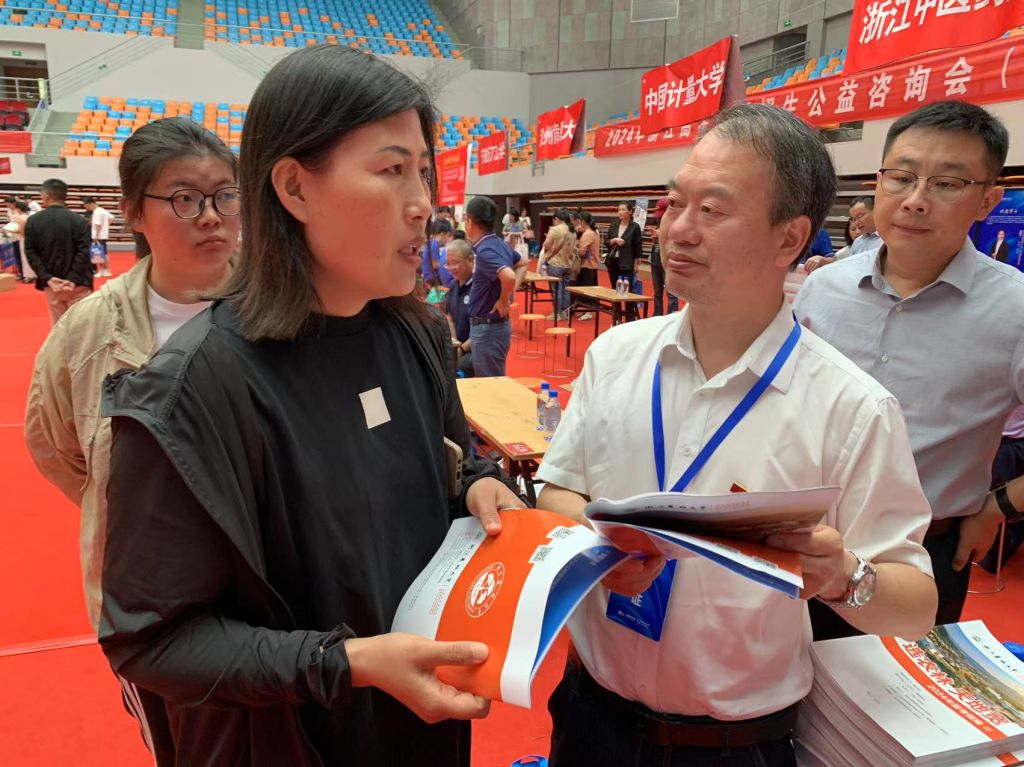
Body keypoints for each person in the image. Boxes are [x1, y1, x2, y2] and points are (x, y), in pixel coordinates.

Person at [98, 46, 523, 766]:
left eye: (423, 171)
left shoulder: (418, 334)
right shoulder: (193, 390)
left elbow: (456, 464)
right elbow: (154, 639)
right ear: (294, 188)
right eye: (391, 170)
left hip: (425, 730)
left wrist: (481, 483)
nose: (424, 203)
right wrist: (344, 664)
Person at [534, 104, 936, 767]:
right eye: (675, 203)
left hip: (732, 747)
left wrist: (841, 575)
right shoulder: (616, 356)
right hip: (589, 716)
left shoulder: (851, 407)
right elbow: (557, 489)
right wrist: (604, 541)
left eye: (712, 210)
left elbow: (915, 606)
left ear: (788, 239)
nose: (678, 230)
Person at [795, 100, 1024, 632]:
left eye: (947, 184)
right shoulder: (822, 289)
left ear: (987, 200)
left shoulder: (1013, 310)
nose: (916, 200)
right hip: (801, 544)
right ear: (879, 182)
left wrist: (999, 507)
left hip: (922, 558)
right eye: (901, 177)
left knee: (886, 687)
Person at [25, 117, 240, 636]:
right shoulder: (87, 331)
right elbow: (55, 445)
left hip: (270, 584)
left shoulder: (286, 313)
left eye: (225, 196)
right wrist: (134, 504)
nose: (211, 216)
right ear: (133, 212)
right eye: (185, 199)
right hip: (148, 590)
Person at [463, 194, 526, 377]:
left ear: (470, 221)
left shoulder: (485, 250)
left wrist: (504, 299)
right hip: (491, 328)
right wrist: (509, 293)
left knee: (490, 383)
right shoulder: (498, 243)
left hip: (488, 330)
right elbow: (522, 264)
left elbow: (509, 276)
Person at [24, 178, 93, 325]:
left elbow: (31, 252)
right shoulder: (78, 221)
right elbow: (84, 251)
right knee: (82, 327)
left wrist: (47, 277)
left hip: (52, 284)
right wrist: (72, 278)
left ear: (46, 196)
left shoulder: (34, 221)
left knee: (58, 328)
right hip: (78, 283)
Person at [605, 200, 642, 319]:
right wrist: (614, 240)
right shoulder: (614, 225)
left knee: (627, 292)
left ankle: (629, 318)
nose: (620, 212)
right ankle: (616, 318)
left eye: (623, 210)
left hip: (627, 262)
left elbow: (638, 246)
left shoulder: (635, 227)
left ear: (630, 212)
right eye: (619, 210)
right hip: (613, 262)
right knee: (615, 291)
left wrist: (636, 264)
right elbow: (606, 241)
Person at [444, 238, 475, 377]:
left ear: (470, 260)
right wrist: (454, 346)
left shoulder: (479, 288)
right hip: (460, 348)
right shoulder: (453, 286)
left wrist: (461, 349)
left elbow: (483, 330)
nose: (451, 268)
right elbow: (450, 319)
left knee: (451, 371)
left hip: (476, 349)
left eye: (455, 263)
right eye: (448, 263)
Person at [539, 208, 576, 320]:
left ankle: (557, 314)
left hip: (555, 262)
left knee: (556, 289)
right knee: (565, 289)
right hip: (568, 263)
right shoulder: (572, 230)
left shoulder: (555, 229)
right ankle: (565, 313)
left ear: (557, 219)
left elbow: (546, 244)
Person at [648, 197, 678, 316]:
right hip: (655, 258)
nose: (660, 217)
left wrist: (660, 234)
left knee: (672, 293)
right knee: (657, 292)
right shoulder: (658, 222)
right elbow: (656, 242)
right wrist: (654, 236)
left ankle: (671, 316)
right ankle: (657, 315)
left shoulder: (676, 222)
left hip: (669, 261)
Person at [574, 210, 600, 321]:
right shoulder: (593, 232)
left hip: (588, 265)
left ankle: (589, 311)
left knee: (588, 290)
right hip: (591, 264)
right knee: (588, 289)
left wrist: (573, 247)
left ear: (582, 221)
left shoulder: (588, 234)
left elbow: (582, 252)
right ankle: (587, 310)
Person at [83, 195, 114, 277]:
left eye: (87, 206)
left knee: (99, 253)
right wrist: (106, 226)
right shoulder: (103, 210)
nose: (87, 208)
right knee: (104, 253)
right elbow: (112, 218)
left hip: (98, 236)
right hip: (103, 235)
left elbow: (97, 225)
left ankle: (102, 270)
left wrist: (95, 236)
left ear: (91, 204)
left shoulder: (97, 212)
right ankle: (106, 270)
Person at [5, 199, 33, 282]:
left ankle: (26, 275)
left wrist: (10, 230)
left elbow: (20, 230)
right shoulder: (27, 216)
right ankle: (25, 274)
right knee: (23, 257)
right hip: (24, 238)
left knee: (23, 258)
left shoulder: (20, 216)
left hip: (21, 237)